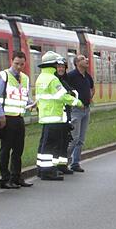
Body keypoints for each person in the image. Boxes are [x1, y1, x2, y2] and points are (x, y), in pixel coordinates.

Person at [35, 51, 83, 181]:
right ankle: (47, 172)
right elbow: (62, 96)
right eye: (57, 64)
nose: (58, 67)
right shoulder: (52, 79)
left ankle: (41, 169)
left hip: (46, 115)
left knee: (45, 144)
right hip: (54, 116)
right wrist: (77, 102)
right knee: (51, 145)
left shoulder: (41, 77)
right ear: (52, 64)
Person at [0, 50, 34, 189]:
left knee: (18, 149)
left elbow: (24, 96)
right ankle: (5, 178)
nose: (19, 67)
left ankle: (16, 177)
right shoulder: (3, 76)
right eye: (16, 64)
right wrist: (0, 115)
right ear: (11, 61)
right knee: (6, 149)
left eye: (22, 64)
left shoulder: (25, 78)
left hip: (19, 117)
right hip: (7, 118)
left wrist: (32, 103)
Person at [64, 54, 94, 173]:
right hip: (76, 110)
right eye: (83, 59)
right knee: (74, 138)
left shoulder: (87, 76)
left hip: (86, 109)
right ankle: (64, 162)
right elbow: (65, 90)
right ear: (76, 63)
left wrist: (89, 97)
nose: (86, 60)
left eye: (86, 58)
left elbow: (92, 88)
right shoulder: (71, 76)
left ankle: (75, 163)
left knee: (81, 139)